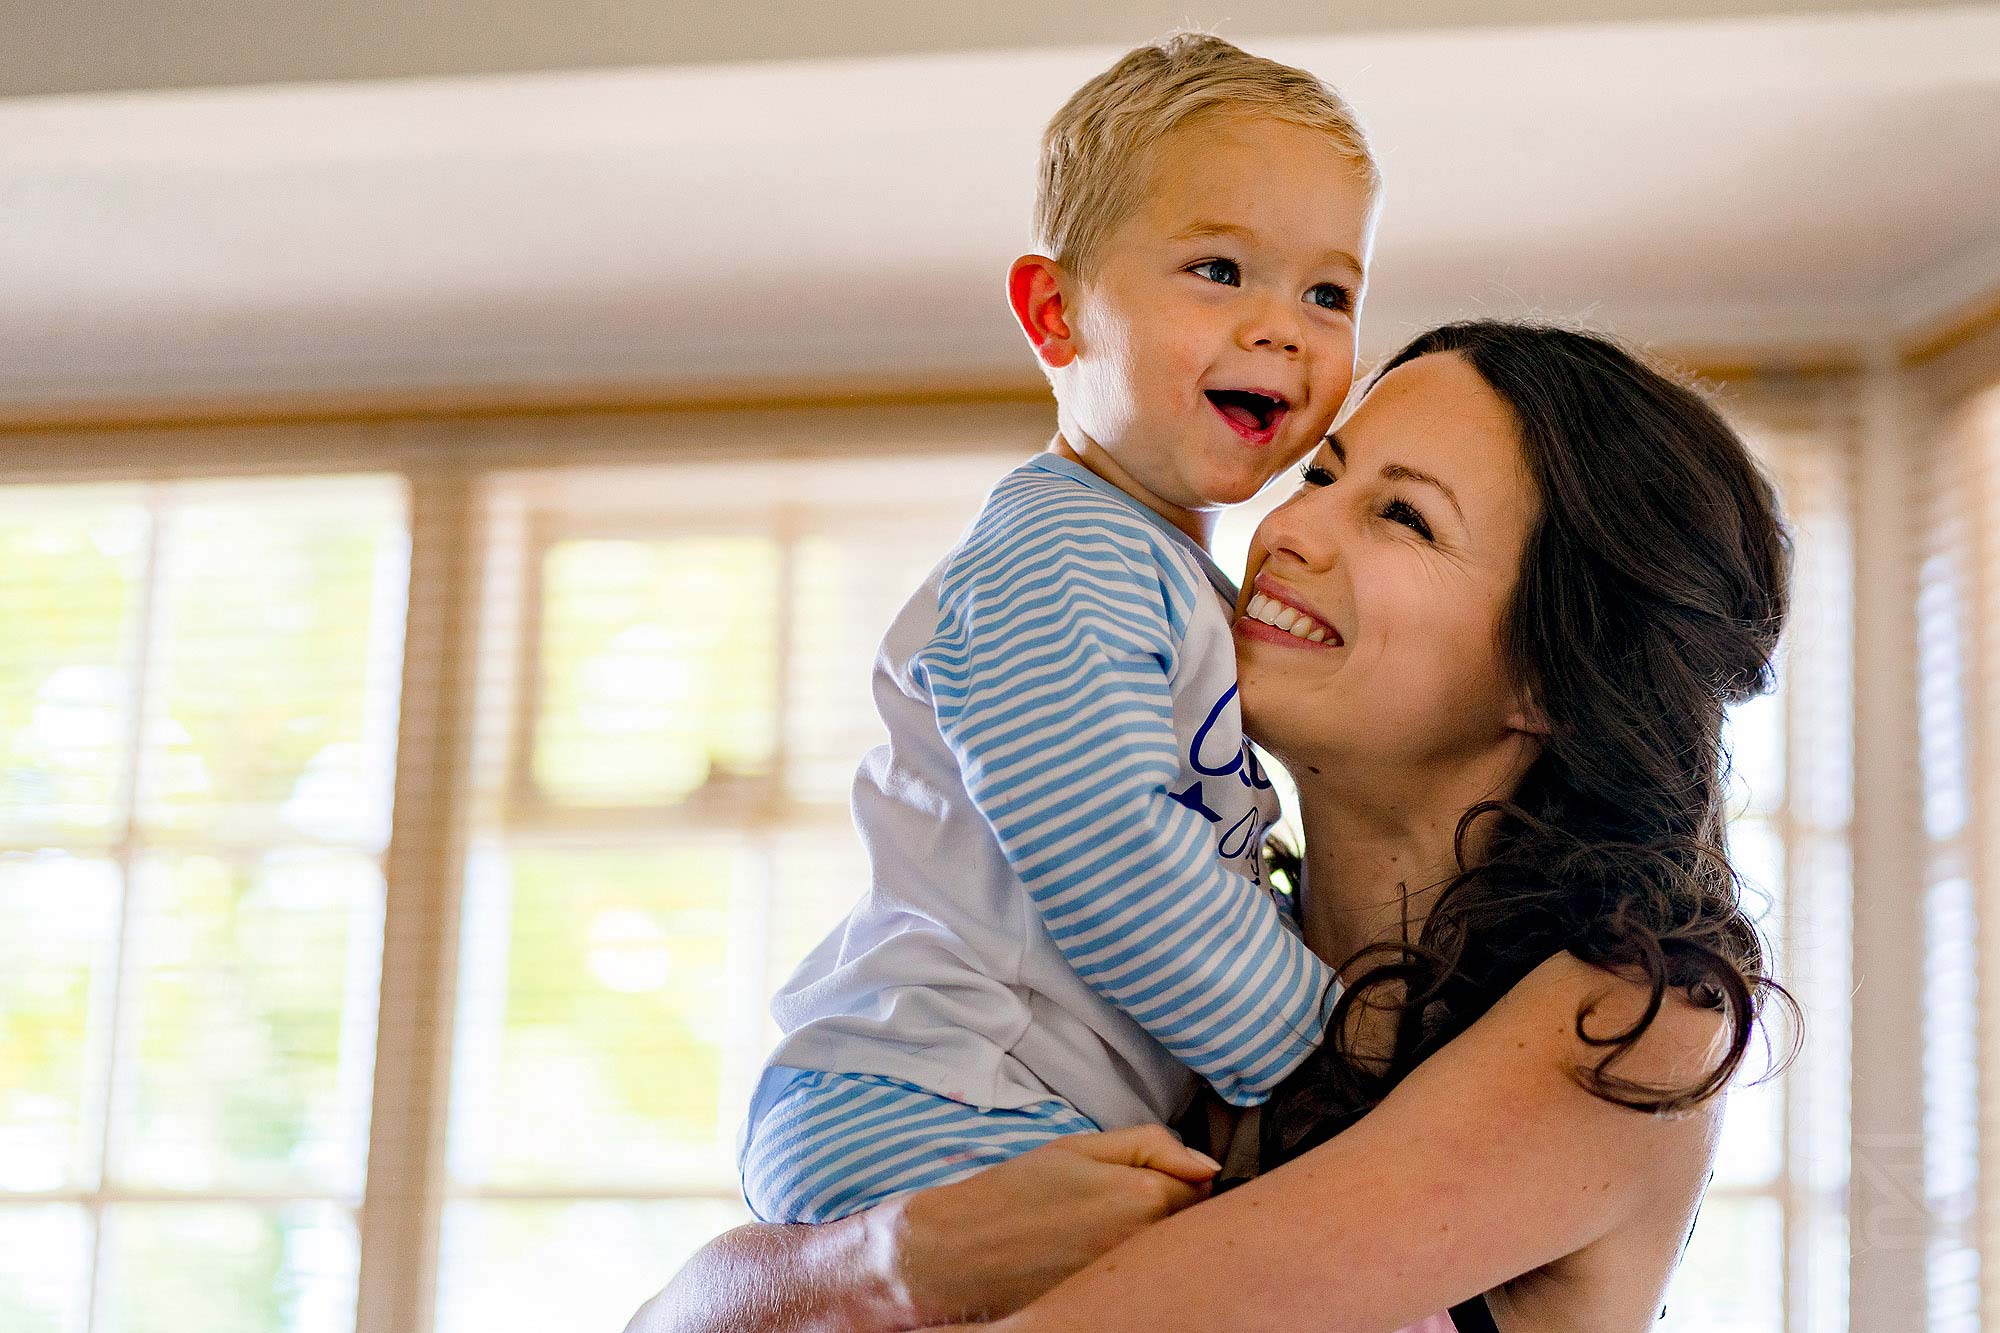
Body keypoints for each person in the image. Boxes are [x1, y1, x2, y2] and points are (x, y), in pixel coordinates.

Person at [631, 321, 1795, 1331]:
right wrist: (894, 1254)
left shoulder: (1629, 1027)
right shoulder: (1179, 963)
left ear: (1551, 671)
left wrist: (869, 1273)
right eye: (1322, 472)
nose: (1289, 530)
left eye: (1399, 515)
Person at [738, 33, 1382, 1227]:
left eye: (1328, 293)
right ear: (1055, 313)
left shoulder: (1160, 568)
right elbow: (1105, 844)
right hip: (940, 1095)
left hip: (995, 1098)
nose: (1284, 328)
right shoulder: (1061, 553)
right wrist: (1325, 1046)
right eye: (1219, 271)